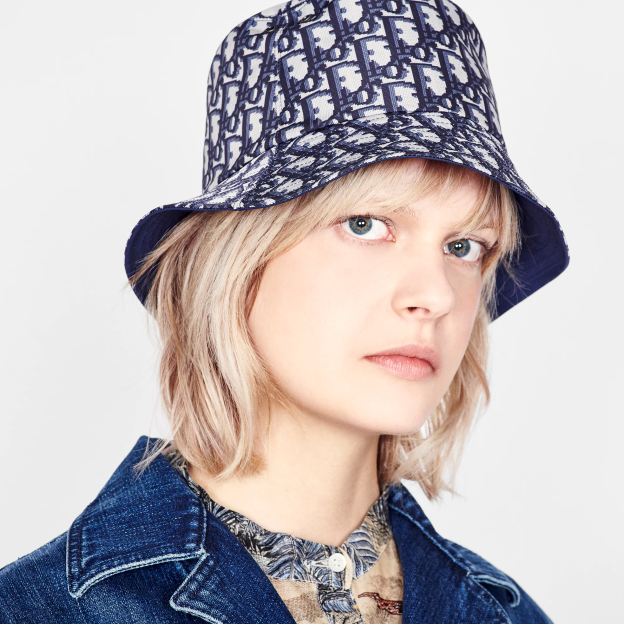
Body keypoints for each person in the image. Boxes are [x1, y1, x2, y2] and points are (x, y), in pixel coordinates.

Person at [0, 0, 569, 622]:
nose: (436, 297)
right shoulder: (39, 609)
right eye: (365, 224)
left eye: (464, 247)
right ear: (237, 265)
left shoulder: (509, 613)